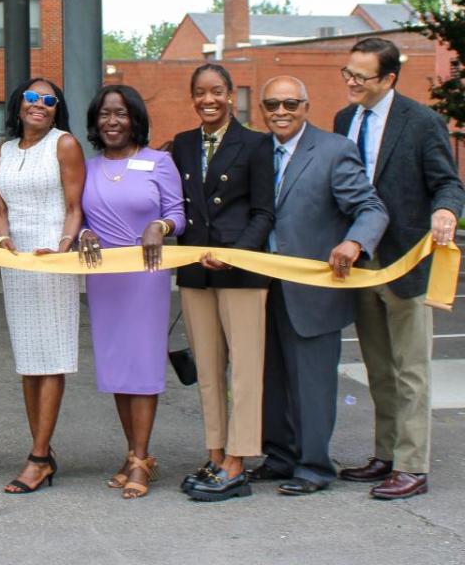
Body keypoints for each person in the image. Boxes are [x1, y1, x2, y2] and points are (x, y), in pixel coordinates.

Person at [333, 38, 465, 499]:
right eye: (347, 73)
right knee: (379, 369)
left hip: (405, 264)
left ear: (388, 79)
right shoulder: (344, 120)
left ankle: (413, 466)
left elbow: (448, 184)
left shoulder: (423, 122)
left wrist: (446, 212)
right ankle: (385, 455)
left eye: (360, 76)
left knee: (411, 370)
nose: (350, 82)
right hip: (362, 265)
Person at [246, 76, 388, 496]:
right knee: (270, 378)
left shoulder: (333, 150)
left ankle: (313, 466)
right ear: (262, 110)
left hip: (313, 288)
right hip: (261, 285)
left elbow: (370, 207)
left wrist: (353, 241)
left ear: (306, 106)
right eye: (272, 104)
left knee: (311, 383)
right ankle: (280, 456)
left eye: (291, 103)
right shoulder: (257, 151)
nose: (281, 112)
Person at [170, 64, 274, 501]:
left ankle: (238, 461)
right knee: (209, 370)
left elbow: (264, 212)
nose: (207, 99)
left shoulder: (256, 144)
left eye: (216, 91)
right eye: (199, 92)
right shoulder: (183, 144)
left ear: (231, 95)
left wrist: (233, 254)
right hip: (195, 270)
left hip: (242, 270)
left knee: (245, 371)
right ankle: (215, 453)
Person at [77, 85, 184, 500]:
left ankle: (141, 458)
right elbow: (79, 215)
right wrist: (84, 232)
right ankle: (134, 452)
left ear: (134, 117)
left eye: (120, 113)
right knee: (118, 368)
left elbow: (178, 214)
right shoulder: (88, 167)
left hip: (146, 276)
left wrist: (162, 226)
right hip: (104, 279)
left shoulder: (159, 162)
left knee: (142, 367)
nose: (112, 122)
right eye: (104, 114)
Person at [0, 78, 84, 494]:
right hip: (16, 261)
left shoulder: (64, 144)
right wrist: (1, 238)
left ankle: (39, 457)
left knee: (52, 356)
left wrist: (64, 246)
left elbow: (74, 206)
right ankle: (40, 450)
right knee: (29, 360)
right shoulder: (4, 151)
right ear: (19, 103)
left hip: (52, 257)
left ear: (56, 109)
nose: (40, 105)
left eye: (50, 100)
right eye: (32, 97)